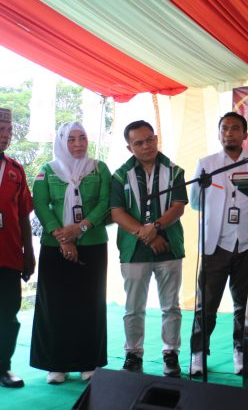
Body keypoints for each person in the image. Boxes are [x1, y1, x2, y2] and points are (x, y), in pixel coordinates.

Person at [188, 112, 248, 377]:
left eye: (235, 128)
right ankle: (199, 352)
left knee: (245, 306)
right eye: (224, 128)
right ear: (219, 133)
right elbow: (196, 202)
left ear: (245, 135)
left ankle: (241, 351)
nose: (229, 133)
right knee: (206, 305)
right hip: (216, 246)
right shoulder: (207, 164)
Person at [30, 122, 111, 384]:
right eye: (71, 139)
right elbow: (40, 204)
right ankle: (57, 364)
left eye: (82, 138)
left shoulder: (99, 169)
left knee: (90, 304)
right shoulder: (47, 171)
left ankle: (88, 361)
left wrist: (81, 227)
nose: (78, 144)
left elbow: (105, 202)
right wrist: (62, 236)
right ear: (61, 142)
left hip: (92, 244)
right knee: (55, 305)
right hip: (55, 247)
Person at [111, 120, 187, 377]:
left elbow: (178, 208)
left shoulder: (174, 171)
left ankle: (171, 354)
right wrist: (149, 236)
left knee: (171, 306)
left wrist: (155, 226)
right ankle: (133, 354)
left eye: (150, 139)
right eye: (139, 143)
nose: (146, 146)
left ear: (156, 138)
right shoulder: (120, 175)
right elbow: (117, 213)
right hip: (134, 250)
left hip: (170, 247)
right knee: (133, 307)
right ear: (129, 147)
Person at [0, 107, 34, 389]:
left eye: (9, 130)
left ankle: (3, 368)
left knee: (7, 315)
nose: (6, 135)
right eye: (0, 130)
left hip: (9, 255)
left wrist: (29, 254)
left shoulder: (15, 170)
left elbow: (24, 215)